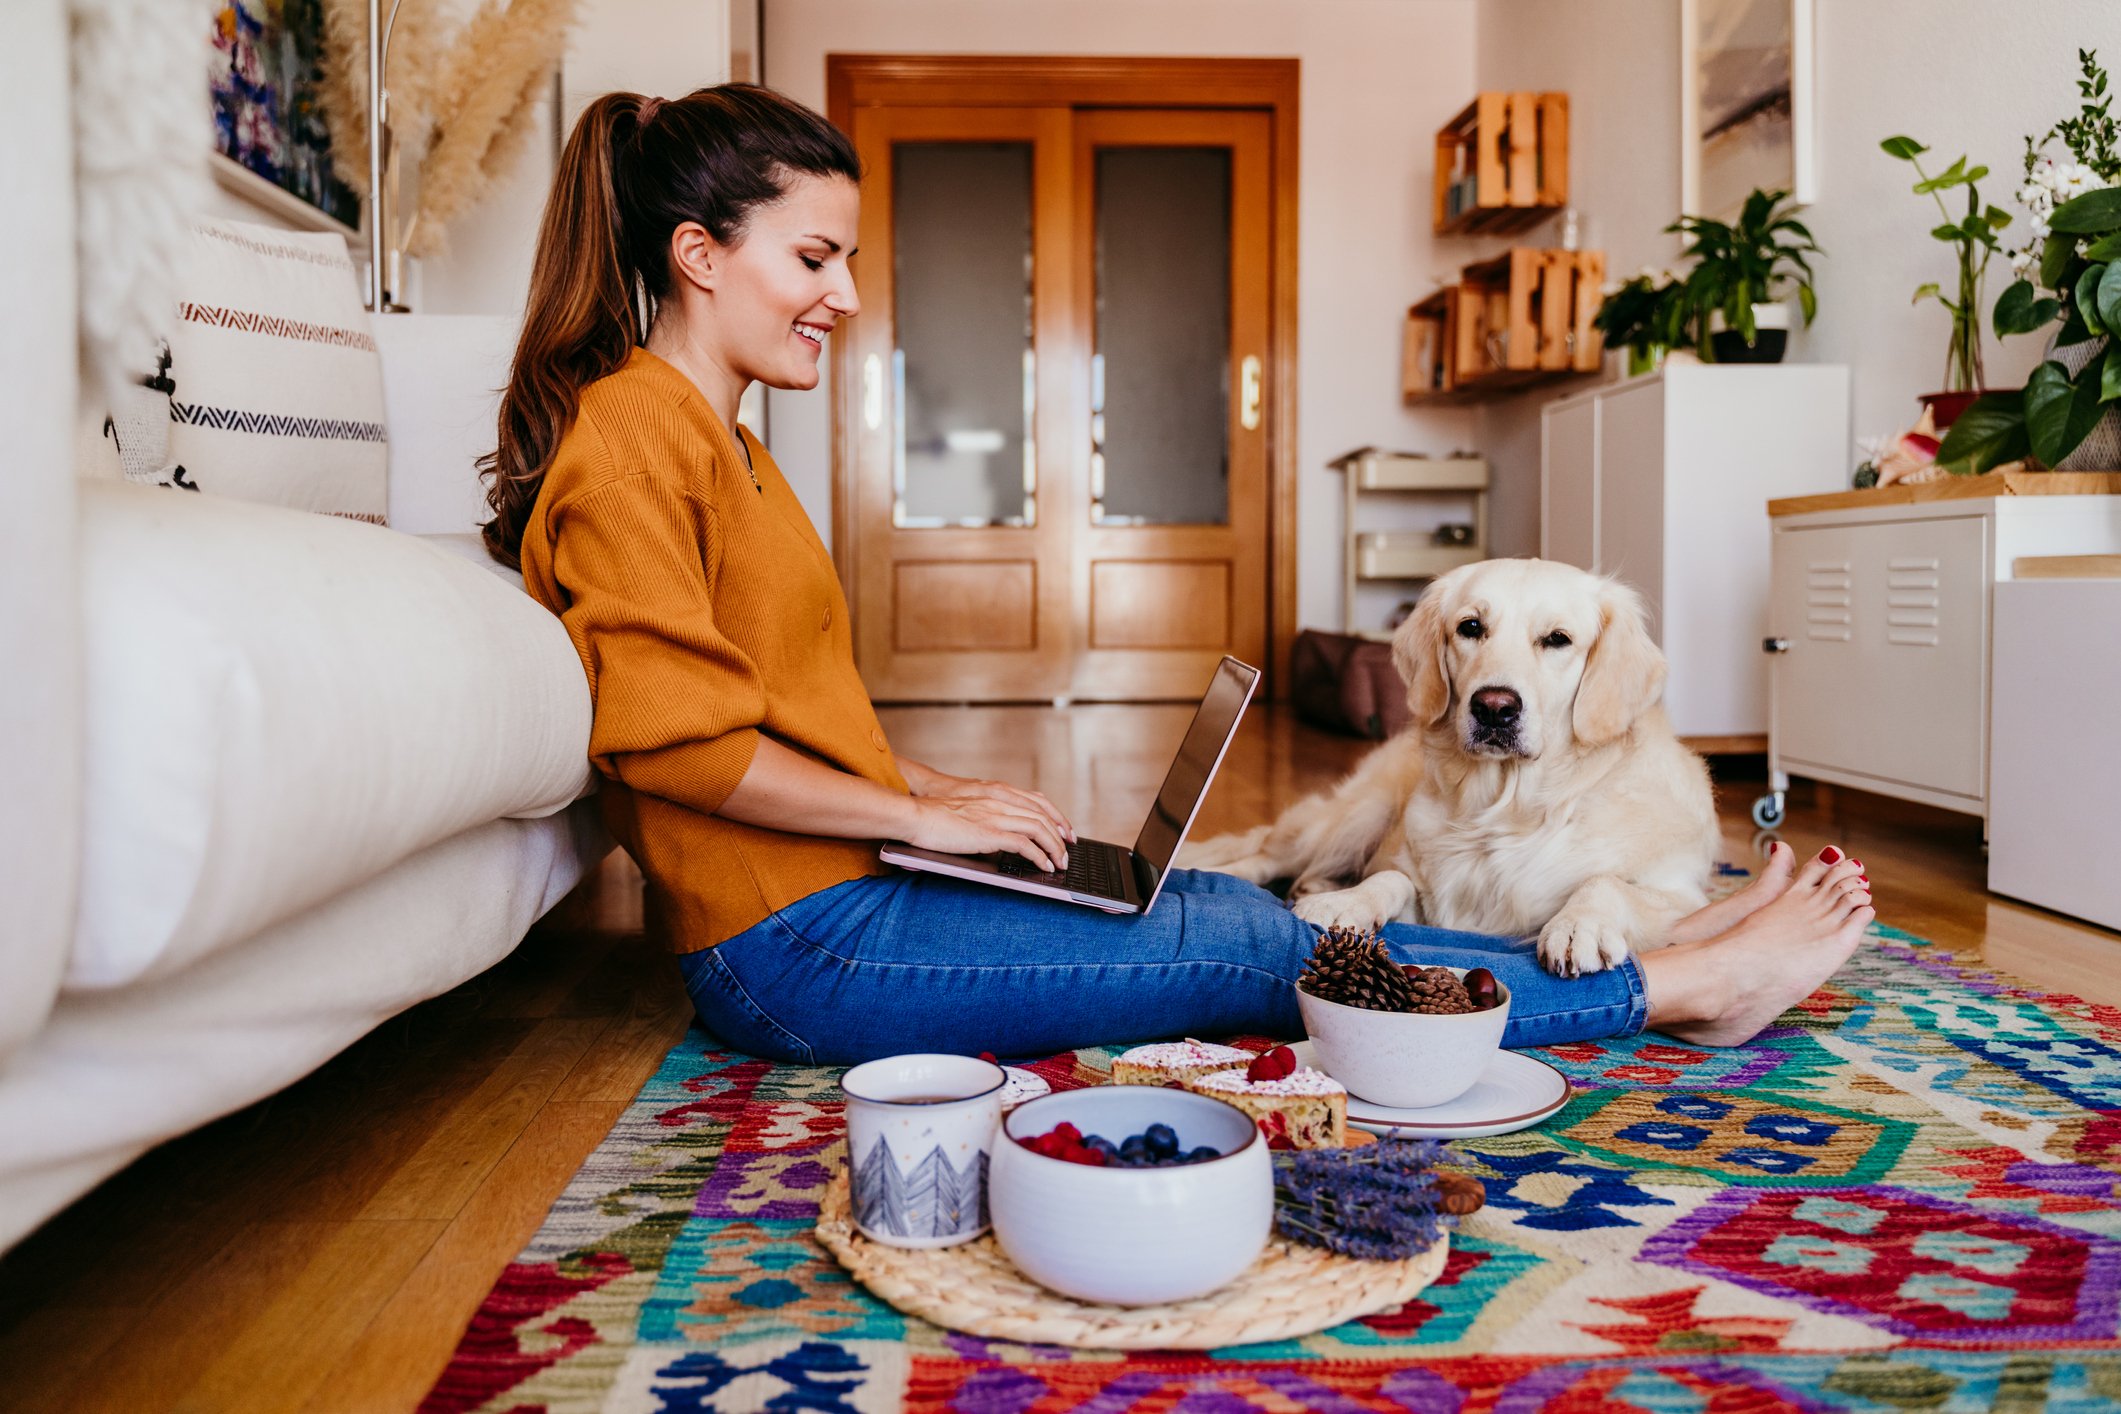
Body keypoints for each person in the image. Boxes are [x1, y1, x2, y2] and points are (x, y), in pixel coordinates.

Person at [481, 85, 1874, 1068]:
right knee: (1259, 964)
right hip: (794, 953)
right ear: (697, 253)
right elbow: (673, 749)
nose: (844, 291)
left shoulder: (715, 439)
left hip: (845, 882)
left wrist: (925, 800)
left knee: (1234, 906)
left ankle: (1676, 936)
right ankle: (1673, 986)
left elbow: (767, 711)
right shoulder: (631, 443)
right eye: (814, 256)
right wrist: (917, 813)